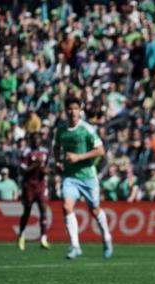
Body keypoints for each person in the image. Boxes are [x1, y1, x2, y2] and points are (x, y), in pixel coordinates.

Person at [53, 96, 113, 259]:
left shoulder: (87, 129)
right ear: (66, 110)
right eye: (70, 108)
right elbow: (56, 147)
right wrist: (58, 161)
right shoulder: (61, 130)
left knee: (94, 210)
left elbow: (100, 151)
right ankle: (75, 246)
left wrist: (79, 157)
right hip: (70, 176)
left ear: (81, 110)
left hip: (87, 176)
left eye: (76, 108)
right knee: (66, 207)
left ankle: (107, 238)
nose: (73, 112)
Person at [17, 133, 51, 250]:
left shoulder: (45, 152)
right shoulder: (26, 152)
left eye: (38, 139)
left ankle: (43, 238)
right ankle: (21, 235)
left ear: (41, 140)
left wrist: (46, 170)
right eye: (34, 139)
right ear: (31, 140)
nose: (37, 141)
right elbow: (22, 170)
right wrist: (35, 165)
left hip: (41, 186)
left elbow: (47, 167)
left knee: (43, 209)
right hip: (29, 185)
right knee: (27, 211)